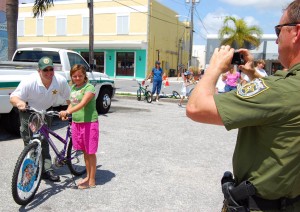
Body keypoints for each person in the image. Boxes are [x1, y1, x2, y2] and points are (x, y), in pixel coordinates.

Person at [186, 1, 300, 211]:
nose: (276, 40)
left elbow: (196, 107)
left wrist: (214, 68)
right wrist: (253, 73)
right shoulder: (284, 88)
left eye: (279, 30)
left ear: (296, 32)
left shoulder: (281, 90)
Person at [10, 57, 70, 182]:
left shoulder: (60, 81)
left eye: (51, 69)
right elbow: (13, 97)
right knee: (31, 141)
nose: (49, 73)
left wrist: (68, 111)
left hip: (46, 112)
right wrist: (20, 103)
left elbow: (70, 99)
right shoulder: (30, 81)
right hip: (29, 112)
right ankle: (33, 167)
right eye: (45, 70)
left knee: (44, 139)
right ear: (39, 71)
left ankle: (46, 169)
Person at [59, 64, 99, 189]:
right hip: (77, 123)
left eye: (80, 75)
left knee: (90, 152)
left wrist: (68, 112)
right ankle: (88, 175)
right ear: (71, 76)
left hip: (89, 123)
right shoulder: (74, 88)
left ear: (84, 76)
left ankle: (91, 180)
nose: (77, 78)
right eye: (74, 76)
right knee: (84, 152)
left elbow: (82, 103)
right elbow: (72, 103)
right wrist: (66, 111)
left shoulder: (89, 88)